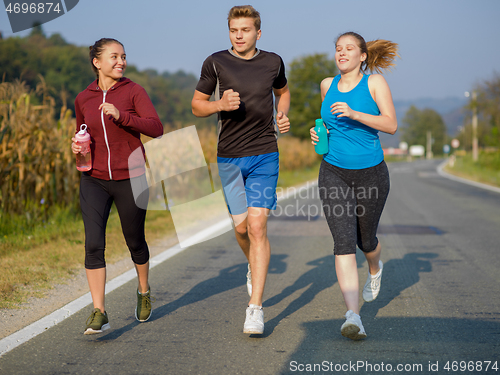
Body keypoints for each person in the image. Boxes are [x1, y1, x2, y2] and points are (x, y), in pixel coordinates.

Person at [191, 5, 290, 335]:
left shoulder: (273, 62)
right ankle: (253, 264)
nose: (239, 35)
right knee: (241, 228)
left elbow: (283, 91)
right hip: (229, 158)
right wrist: (219, 104)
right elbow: (197, 105)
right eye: (234, 30)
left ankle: (255, 308)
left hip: (264, 154)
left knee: (258, 225)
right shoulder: (215, 62)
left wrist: (282, 114)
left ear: (258, 33)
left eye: (245, 30)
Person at [310, 32, 398, 340]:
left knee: (366, 240)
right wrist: (317, 134)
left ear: (362, 56)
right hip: (333, 171)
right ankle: (353, 316)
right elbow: (328, 125)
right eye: (338, 49)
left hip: (371, 173)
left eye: (349, 49)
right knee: (343, 242)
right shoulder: (326, 85)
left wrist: (354, 112)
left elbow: (390, 124)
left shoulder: (374, 83)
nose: (342, 53)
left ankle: (375, 268)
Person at [72, 38, 164, 334]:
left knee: (134, 241)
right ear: (97, 62)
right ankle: (99, 310)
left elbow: (156, 128)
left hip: (132, 176)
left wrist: (122, 116)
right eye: (114, 57)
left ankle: (144, 290)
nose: (121, 61)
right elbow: (80, 132)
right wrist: (77, 146)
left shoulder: (134, 91)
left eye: (123, 56)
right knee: (94, 243)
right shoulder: (83, 98)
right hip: (94, 179)